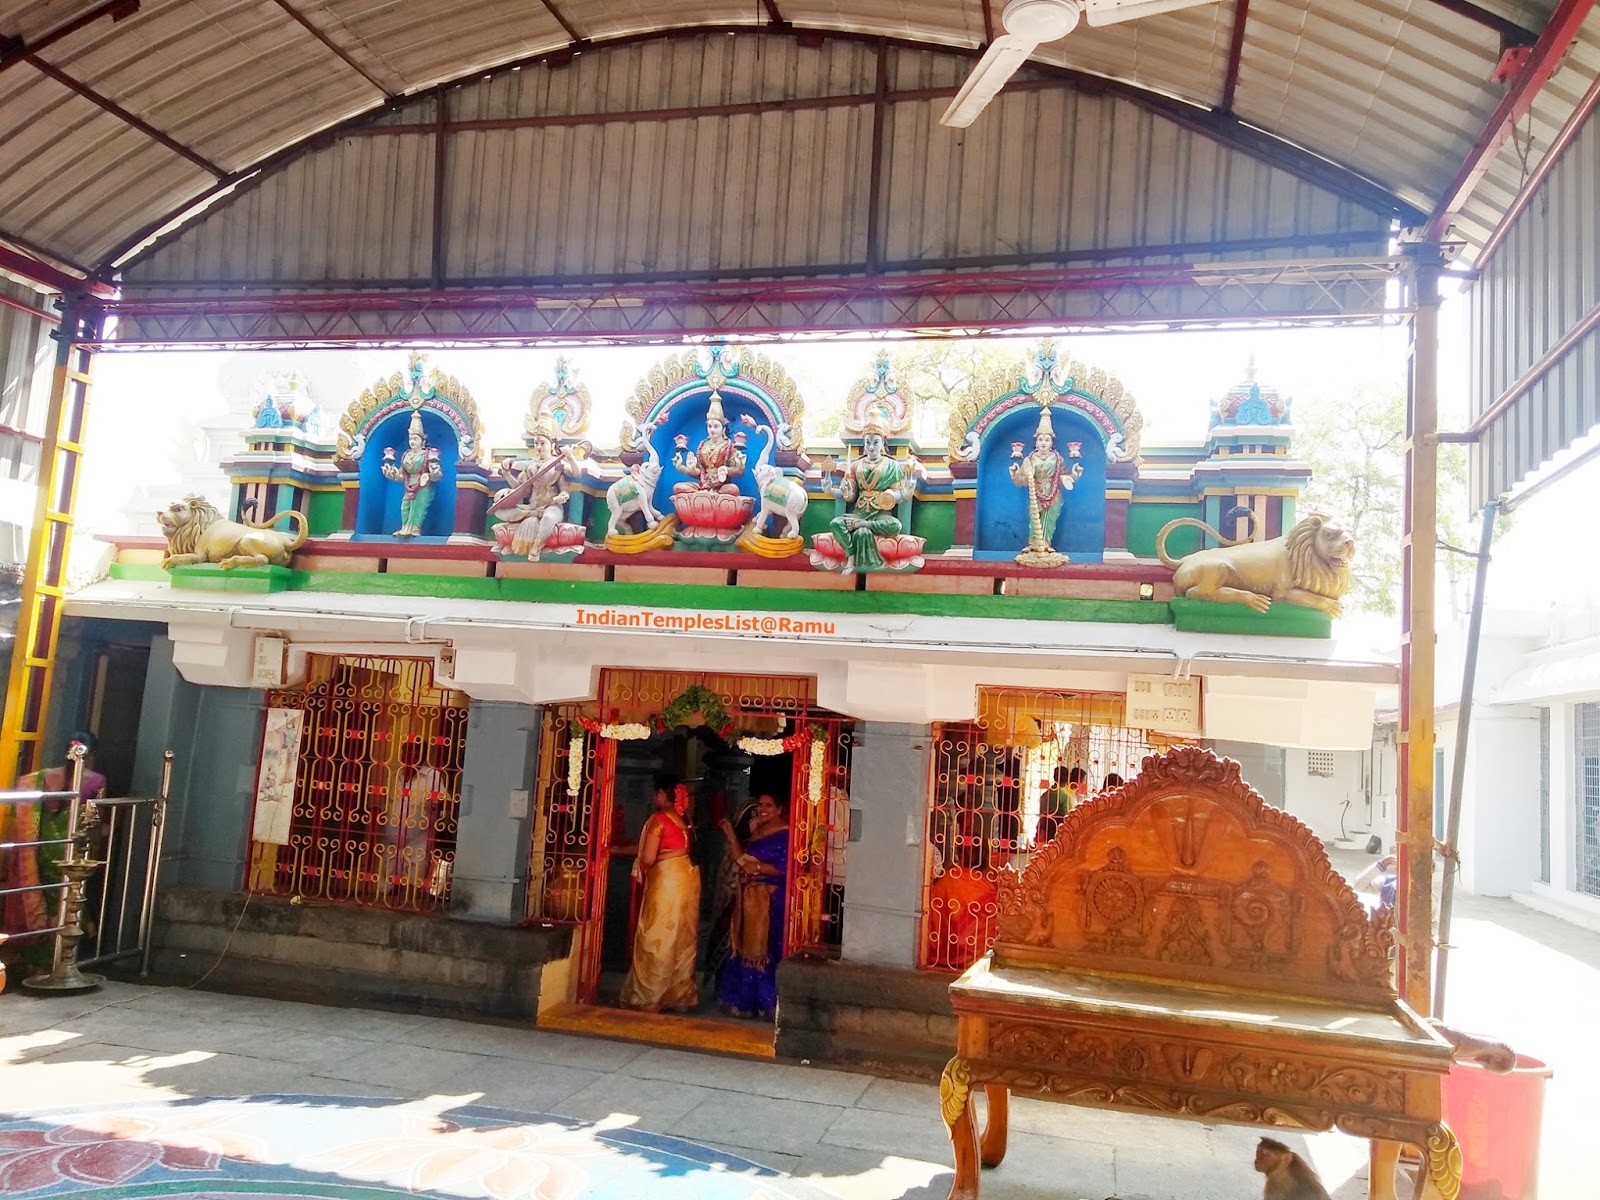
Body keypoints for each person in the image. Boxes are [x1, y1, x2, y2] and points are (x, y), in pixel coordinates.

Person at [0, 733, 108, 967]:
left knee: (39, 903)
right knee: (68, 901)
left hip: (37, 850)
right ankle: (60, 964)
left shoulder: (37, 779)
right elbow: (95, 824)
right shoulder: (96, 781)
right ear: (92, 755)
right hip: (70, 853)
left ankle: (36, 965)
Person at [619, 775, 701, 1012]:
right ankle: (679, 995)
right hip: (687, 877)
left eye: (657, 793)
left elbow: (647, 857)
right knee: (682, 936)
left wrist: (632, 860)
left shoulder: (659, 820)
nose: (655, 798)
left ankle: (650, 996)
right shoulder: (685, 820)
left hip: (666, 880)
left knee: (657, 934)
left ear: (664, 795)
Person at [717, 792, 789, 1018]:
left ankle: (768, 1004)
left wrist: (758, 870)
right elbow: (743, 861)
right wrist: (730, 835)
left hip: (771, 899)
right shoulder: (758, 831)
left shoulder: (785, 834)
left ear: (779, 809)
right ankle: (746, 1001)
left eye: (769, 805)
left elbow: (786, 868)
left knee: (766, 950)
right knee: (745, 946)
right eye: (760, 804)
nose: (763, 809)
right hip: (749, 898)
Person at [827, 414, 912, 573]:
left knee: (895, 525)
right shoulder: (856, 465)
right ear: (864, 444)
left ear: (882, 443)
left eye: (875, 442)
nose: (871, 446)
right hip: (859, 512)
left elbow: (900, 495)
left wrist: (895, 495)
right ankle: (850, 556)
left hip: (880, 512)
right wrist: (844, 489)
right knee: (835, 523)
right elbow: (850, 496)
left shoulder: (893, 466)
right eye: (868, 442)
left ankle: (864, 526)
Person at [1009, 403, 1082, 565]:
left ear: (1051, 442)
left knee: (1050, 520)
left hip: (1054, 492)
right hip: (1036, 492)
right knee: (1034, 517)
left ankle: (1046, 544)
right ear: (1036, 442)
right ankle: (1033, 545)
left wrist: (1074, 475)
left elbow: (1063, 476)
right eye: (1041, 439)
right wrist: (1015, 472)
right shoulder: (1029, 458)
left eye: (1047, 440)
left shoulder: (1057, 458)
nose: (1043, 443)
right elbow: (1022, 480)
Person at [706, 799, 759, 985]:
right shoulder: (750, 808)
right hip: (734, 882)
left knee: (738, 936)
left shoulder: (753, 810)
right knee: (726, 932)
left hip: (746, 885)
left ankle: (732, 985)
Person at [381, 409, 442, 536]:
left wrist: (431, 474)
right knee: (405, 507)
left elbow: (438, 475)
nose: (412, 442)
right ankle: (405, 528)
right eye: (410, 439)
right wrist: (391, 473)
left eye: (415, 438)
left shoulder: (428, 454)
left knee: (419, 509)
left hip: (424, 486)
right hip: (409, 485)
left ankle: (415, 529)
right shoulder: (406, 455)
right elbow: (402, 475)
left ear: (422, 440)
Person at [671, 392, 746, 495]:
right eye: (709, 426)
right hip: (702, 486)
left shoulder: (729, 447)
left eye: (716, 426)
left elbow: (738, 472)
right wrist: (683, 468)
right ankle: (704, 496)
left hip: (722, 488)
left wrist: (727, 469)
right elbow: (698, 473)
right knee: (678, 487)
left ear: (723, 428)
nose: (712, 429)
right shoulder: (702, 446)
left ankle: (704, 498)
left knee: (733, 490)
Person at [1034, 765, 1085, 845]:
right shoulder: (1066, 795)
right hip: (1056, 829)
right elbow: (1068, 816)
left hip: (1043, 827)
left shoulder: (1046, 794)